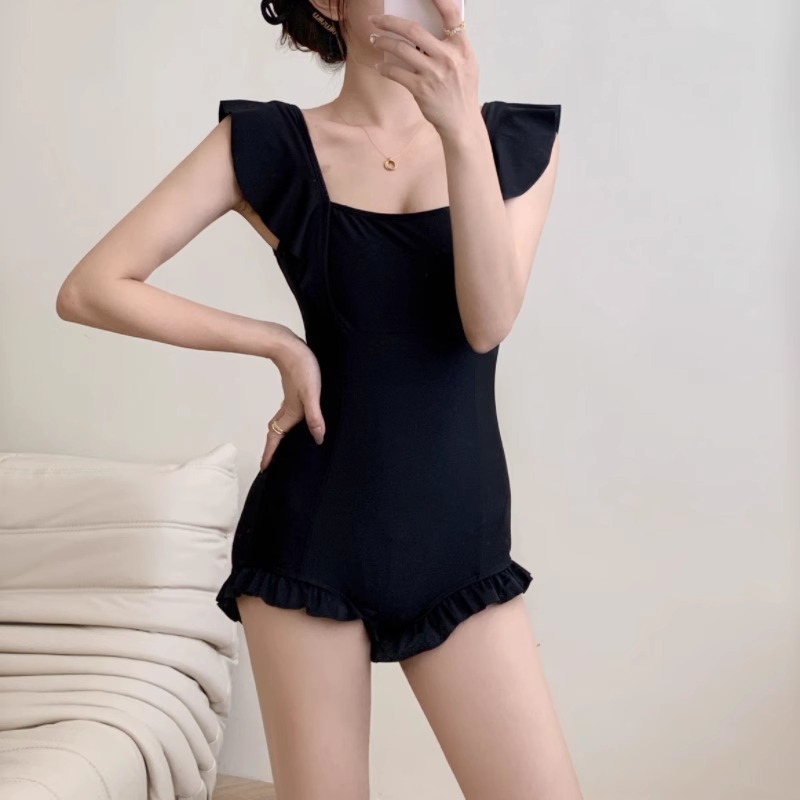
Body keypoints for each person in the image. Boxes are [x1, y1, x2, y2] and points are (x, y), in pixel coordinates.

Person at [56, 0, 583, 797]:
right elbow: (92, 287)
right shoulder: (269, 142)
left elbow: (487, 322)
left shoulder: (510, 140)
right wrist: (275, 341)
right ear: (330, 3)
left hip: (461, 548)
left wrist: (459, 128)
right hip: (311, 543)